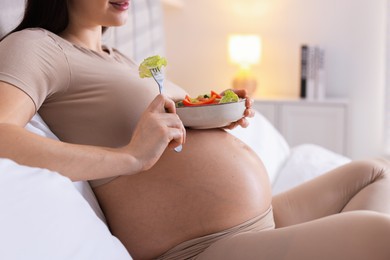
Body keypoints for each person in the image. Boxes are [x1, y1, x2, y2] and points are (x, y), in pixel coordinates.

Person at [0, 0, 389, 259]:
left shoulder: (119, 57)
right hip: (208, 247)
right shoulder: (38, 47)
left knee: (376, 172)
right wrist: (129, 157)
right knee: (379, 235)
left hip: (262, 219)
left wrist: (215, 117)